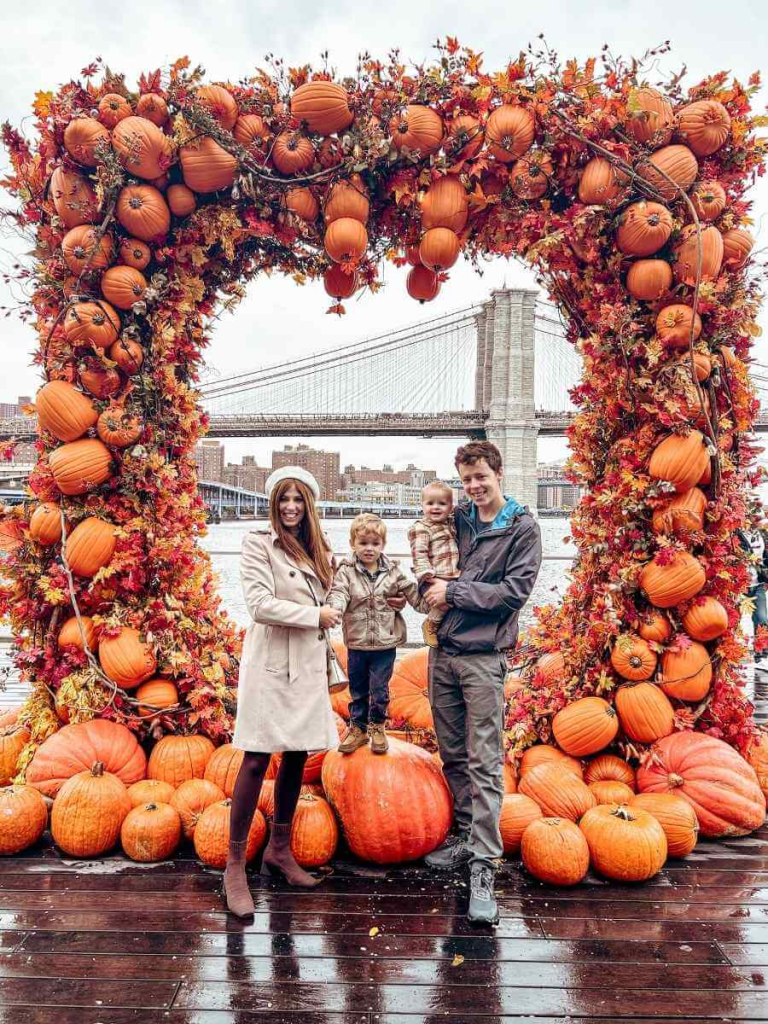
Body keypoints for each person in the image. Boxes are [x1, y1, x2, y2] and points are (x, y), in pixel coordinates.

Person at [422, 440, 542, 926]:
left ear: (498, 474)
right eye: (466, 481)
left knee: (485, 760)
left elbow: (512, 594)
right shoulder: (461, 519)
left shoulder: (522, 528)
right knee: (452, 752)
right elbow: (432, 562)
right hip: (442, 652)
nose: (474, 488)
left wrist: (451, 591)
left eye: (481, 479)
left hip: (483, 657)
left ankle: (484, 866)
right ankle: (467, 839)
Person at [224, 466, 342, 918]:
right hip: (273, 661)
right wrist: (315, 616)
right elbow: (258, 605)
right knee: (256, 757)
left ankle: (279, 848)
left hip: (307, 661)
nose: (291, 507)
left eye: (298, 499)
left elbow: (338, 598)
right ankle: (235, 866)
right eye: (283, 499)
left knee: (296, 755)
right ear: (274, 503)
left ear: (308, 505)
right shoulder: (259, 543)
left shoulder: (320, 548)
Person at [328, 513, 427, 755]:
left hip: (385, 643)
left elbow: (413, 594)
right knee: (358, 689)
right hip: (357, 643)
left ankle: (378, 726)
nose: (369, 549)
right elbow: (339, 593)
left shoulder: (393, 572)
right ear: (353, 544)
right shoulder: (346, 572)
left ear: (383, 545)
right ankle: (358, 728)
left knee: (380, 689)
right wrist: (334, 609)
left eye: (375, 544)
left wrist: (430, 604)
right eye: (363, 543)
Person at [408, 481, 460, 648]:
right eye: (430, 503)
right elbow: (419, 553)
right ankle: (431, 623)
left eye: (442, 504)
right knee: (443, 602)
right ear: (422, 505)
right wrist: (424, 573)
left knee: (458, 597)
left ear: (451, 507)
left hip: (452, 574)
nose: (435, 507)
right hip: (433, 576)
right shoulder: (422, 528)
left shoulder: (449, 524)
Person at [738, 526, 768, 667]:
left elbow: (765, 557)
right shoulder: (736, 534)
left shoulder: (761, 534)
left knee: (762, 619)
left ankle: (760, 655)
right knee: (733, 620)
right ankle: (730, 654)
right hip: (738, 585)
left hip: (758, 584)